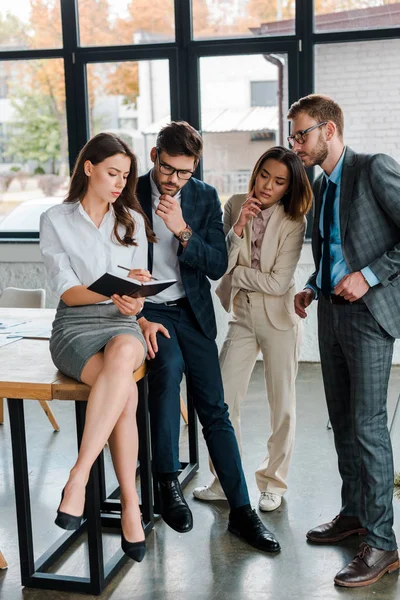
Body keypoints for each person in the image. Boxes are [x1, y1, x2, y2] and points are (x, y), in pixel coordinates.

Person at [136, 120, 280, 553]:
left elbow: (217, 264)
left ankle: (241, 510)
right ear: (154, 157)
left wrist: (183, 230)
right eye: (168, 170)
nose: (175, 179)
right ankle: (166, 481)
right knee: (166, 373)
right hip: (145, 311)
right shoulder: (130, 193)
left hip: (191, 312)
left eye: (184, 171)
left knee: (215, 409)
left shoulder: (202, 196)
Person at [289, 94, 400, 588]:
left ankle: (382, 543)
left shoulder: (373, 168)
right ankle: (354, 514)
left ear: (328, 130)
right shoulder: (320, 183)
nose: (295, 145)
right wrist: (313, 286)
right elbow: (332, 251)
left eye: (301, 134)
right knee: (342, 422)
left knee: (369, 425)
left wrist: (370, 276)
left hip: (369, 316)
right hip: (331, 316)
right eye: (293, 136)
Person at [40, 132, 156, 563]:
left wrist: (136, 300)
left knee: (125, 357)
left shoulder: (131, 221)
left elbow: (139, 287)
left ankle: (79, 475)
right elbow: (68, 292)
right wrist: (112, 296)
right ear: (88, 167)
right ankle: (130, 504)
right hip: (75, 327)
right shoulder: (55, 218)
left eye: (125, 177)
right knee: (125, 391)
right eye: (112, 173)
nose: (119, 184)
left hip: (121, 326)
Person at [192, 146, 312, 512]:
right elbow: (219, 264)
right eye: (265, 175)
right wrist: (239, 227)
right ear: (256, 171)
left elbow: (278, 284)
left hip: (279, 318)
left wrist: (239, 275)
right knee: (221, 401)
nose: (267, 186)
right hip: (242, 315)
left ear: (288, 188)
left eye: (279, 182)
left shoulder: (295, 220)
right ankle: (224, 480)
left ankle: (273, 481)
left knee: (283, 406)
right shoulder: (234, 205)